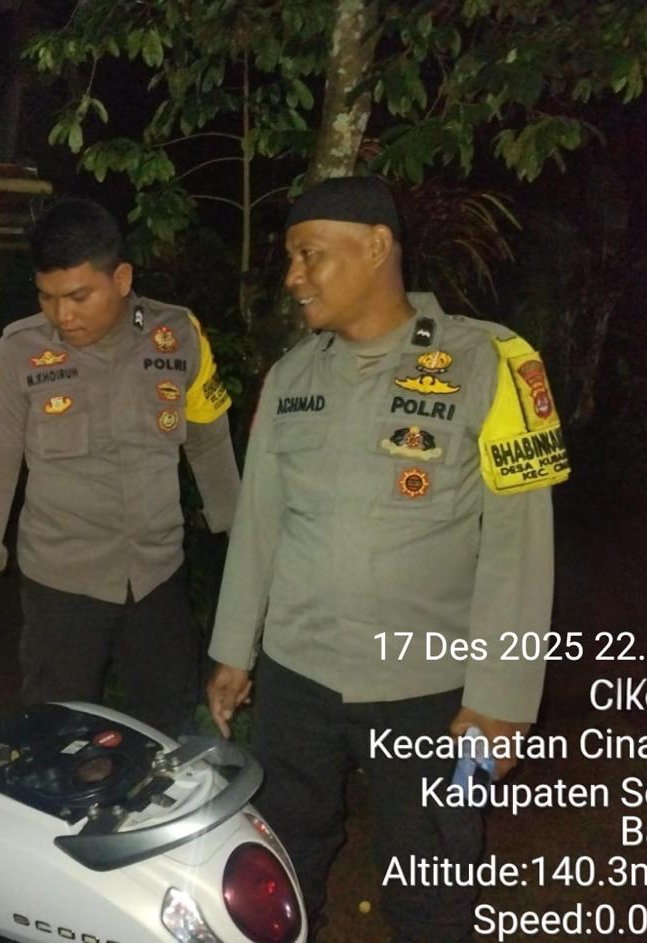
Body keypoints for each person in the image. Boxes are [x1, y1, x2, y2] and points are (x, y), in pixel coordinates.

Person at [206, 176, 568, 941]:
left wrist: (501, 697)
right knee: (280, 862)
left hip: (428, 689)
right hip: (298, 677)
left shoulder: (491, 362)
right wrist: (234, 648)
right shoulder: (290, 376)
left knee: (432, 877)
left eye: (309, 254)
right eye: (290, 257)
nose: (293, 276)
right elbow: (260, 523)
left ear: (376, 247)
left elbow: (520, 541)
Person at [0, 196, 240, 735]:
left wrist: (242, 551)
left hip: (158, 577)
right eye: (47, 297)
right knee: (56, 732)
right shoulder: (19, 353)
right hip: (61, 585)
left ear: (121, 278)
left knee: (167, 729)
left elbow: (209, 443)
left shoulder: (178, 335)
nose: (63, 315)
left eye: (78, 296)